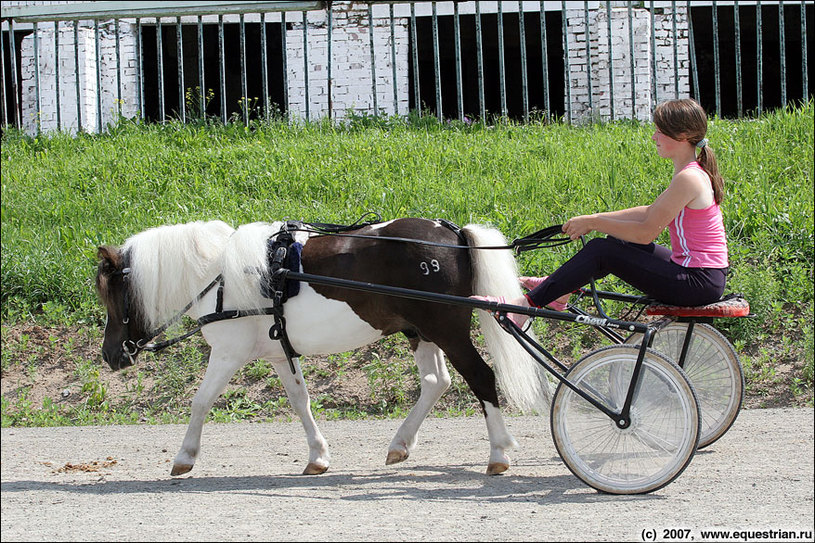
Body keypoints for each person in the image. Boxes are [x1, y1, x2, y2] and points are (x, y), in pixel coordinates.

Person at [473, 98, 729, 328]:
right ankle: (559, 291)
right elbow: (650, 212)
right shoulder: (691, 173)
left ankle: (525, 307)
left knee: (600, 250)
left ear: (683, 135)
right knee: (617, 241)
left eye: (660, 131)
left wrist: (594, 223)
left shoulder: (689, 178)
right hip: (700, 276)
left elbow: (645, 233)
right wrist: (594, 217)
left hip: (698, 282)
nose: (654, 137)